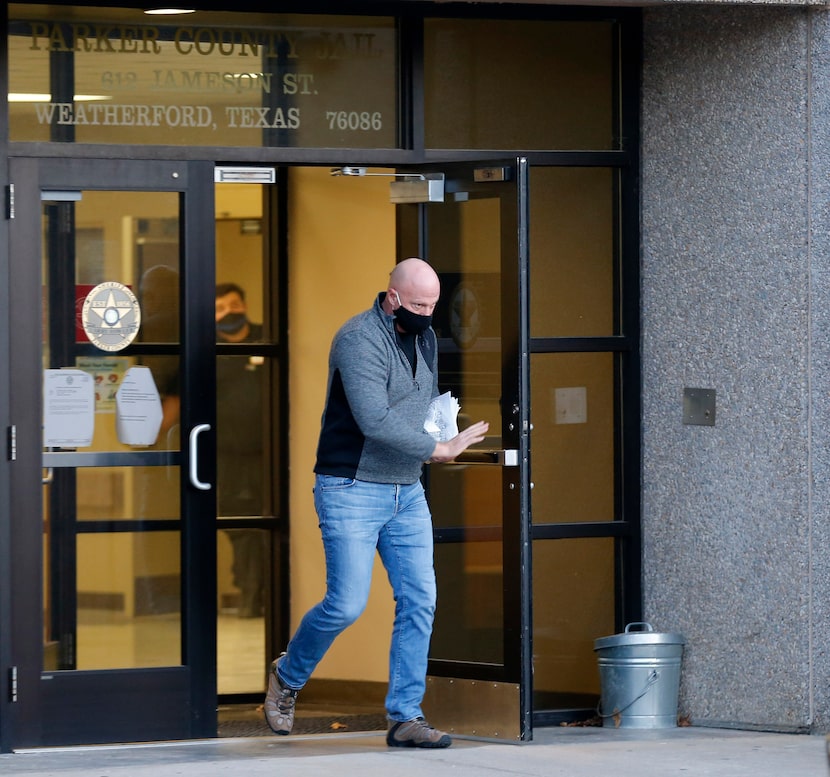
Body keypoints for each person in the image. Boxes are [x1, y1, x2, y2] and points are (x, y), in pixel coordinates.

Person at [264, 257, 489, 748]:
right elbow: (375, 420)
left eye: (432, 306)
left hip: (406, 491)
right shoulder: (358, 338)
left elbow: (418, 403)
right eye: (417, 305)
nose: (426, 315)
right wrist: (439, 450)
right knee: (346, 604)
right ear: (391, 298)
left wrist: (443, 428)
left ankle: (406, 716)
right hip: (351, 487)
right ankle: (288, 675)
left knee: (420, 600)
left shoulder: (425, 336)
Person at [216, 282, 267, 618]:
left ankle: (256, 594)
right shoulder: (208, 347)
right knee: (239, 528)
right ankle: (249, 590)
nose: (230, 313)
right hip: (227, 458)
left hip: (269, 457)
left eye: (234, 305)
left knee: (266, 527)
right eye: (220, 308)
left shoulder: (267, 337)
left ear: (245, 305)